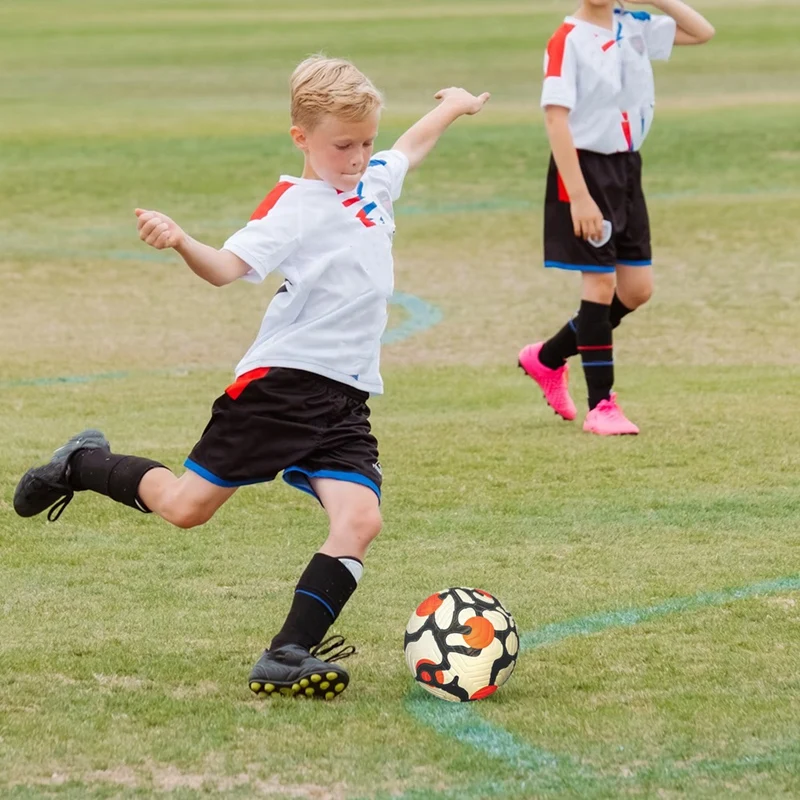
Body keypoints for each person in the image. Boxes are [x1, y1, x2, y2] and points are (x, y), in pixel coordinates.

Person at [13, 55, 490, 700]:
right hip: (282, 389)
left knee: (360, 521)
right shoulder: (293, 207)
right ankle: (81, 464)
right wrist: (182, 240)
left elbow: (409, 148)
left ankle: (286, 654)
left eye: (365, 142)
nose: (356, 157)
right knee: (185, 509)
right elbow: (226, 268)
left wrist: (452, 105)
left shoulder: (372, 184)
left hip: (346, 397)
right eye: (341, 145)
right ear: (302, 139)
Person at [519, 0, 714, 435]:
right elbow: (555, 120)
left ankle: (547, 358)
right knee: (600, 284)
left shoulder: (635, 25)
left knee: (638, 289)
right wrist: (581, 198)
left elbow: (702, 32)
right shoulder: (567, 39)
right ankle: (601, 406)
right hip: (584, 171)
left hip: (627, 168)